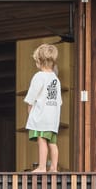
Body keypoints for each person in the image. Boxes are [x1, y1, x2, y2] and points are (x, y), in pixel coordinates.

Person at [23, 43, 63, 172]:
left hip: (41, 116)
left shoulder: (39, 77)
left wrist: (30, 109)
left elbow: (32, 96)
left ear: (39, 61)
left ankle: (41, 167)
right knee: (52, 143)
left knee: (42, 141)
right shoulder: (56, 79)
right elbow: (59, 101)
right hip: (53, 117)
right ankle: (54, 168)